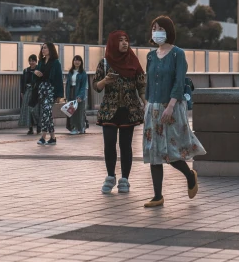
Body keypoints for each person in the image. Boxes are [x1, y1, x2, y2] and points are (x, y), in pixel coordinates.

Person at [143, 15, 206, 208]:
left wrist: (170, 106)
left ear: (168, 30)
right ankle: (157, 196)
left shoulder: (178, 54)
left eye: (160, 28)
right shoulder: (151, 56)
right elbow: (148, 83)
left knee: (171, 151)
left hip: (171, 106)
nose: (156, 31)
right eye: (154, 28)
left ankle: (189, 175)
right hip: (152, 107)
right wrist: (146, 105)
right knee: (154, 151)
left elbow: (179, 83)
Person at [93, 31, 146, 194]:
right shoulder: (104, 63)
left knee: (126, 145)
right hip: (109, 109)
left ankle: (125, 179)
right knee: (109, 143)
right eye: (120, 40)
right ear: (113, 43)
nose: (124, 43)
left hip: (129, 109)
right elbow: (96, 86)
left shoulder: (134, 61)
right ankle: (110, 176)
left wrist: (146, 103)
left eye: (126, 40)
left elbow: (141, 84)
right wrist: (105, 81)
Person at [35, 42, 64, 146]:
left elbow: (59, 79)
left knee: (45, 112)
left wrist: (59, 94)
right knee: (47, 113)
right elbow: (37, 78)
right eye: (42, 48)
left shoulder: (56, 63)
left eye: (45, 48)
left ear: (50, 49)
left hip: (51, 90)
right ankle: (52, 138)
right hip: (42, 90)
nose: (43, 50)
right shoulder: (41, 62)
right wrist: (36, 73)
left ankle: (43, 137)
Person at [65, 55, 88, 135]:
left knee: (80, 112)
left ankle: (81, 127)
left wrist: (80, 96)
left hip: (79, 93)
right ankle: (73, 128)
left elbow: (83, 86)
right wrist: (67, 95)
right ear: (73, 62)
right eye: (75, 60)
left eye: (78, 60)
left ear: (81, 62)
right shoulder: (70, 72)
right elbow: (68, 84)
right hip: (71, 92)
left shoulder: (83, 73)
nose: (77, 62)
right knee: (71, 111)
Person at [18, 54, 40, 135]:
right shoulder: (26, 71)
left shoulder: (39, 69)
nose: (31, 62)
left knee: (36, 109)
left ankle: (38, 125)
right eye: (30, 61)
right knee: (28, 110)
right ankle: (30, 127)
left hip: (36, 92)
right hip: (27, 91)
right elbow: (23, 82)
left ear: (36, 61)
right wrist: (22, 92)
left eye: (33, 61)